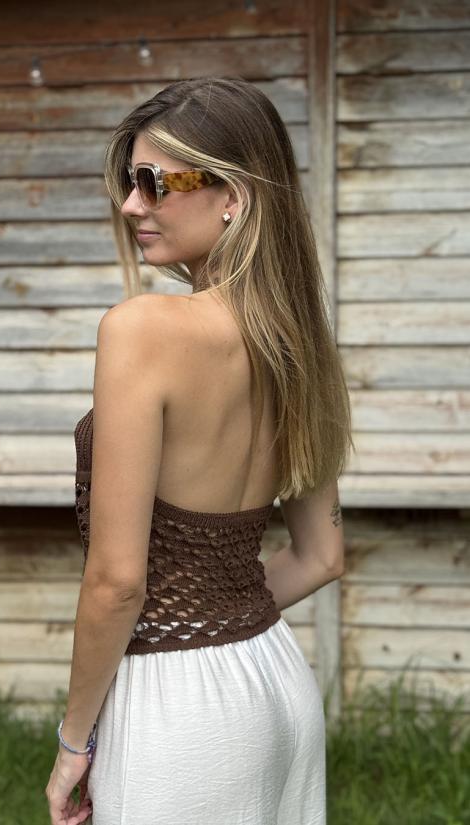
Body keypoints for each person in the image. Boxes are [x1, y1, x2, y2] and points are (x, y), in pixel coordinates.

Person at [45, 76, 353, 825]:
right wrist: (219, 615)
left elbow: (117, 582)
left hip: (179, 715)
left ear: (233, 197)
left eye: (155, 182)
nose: (131, 205)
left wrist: (74, 740)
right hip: (275, 679)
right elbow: (321, 556)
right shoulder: (296, 342)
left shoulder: (142, 330)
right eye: (128, 183)